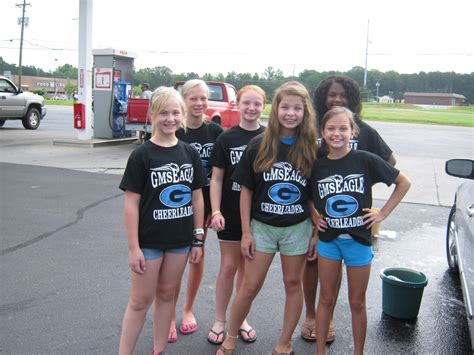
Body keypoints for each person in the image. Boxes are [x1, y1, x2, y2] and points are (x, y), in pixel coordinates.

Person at [217, 81, 318, 355]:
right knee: (249, 285)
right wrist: (247, 232)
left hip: (297, 227)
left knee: (292, 283)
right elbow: (246, 190)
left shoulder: (311, 147)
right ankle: (230, 337)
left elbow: (314, 196)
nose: (290, 113)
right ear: (275, 110)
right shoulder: (258, 144)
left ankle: (284, 343)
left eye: (297, 108)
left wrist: (315, 233)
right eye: (285, 107)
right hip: (262, 227)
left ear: (305, 111)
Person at [300, 75, 397, 343]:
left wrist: (360, 186)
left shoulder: (364, 131)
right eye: (332, 95)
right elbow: (306, 171)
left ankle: (327, 320)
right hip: (321, 214)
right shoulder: (313, 130)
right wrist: (313, 210)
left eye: (343, 95)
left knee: (348, 280)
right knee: (312, 263)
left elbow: (391, 162)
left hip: (353, 222)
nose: (337, 99)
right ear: (322, 98)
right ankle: (311, 315)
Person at [311, 106, 410, 355]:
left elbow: (403, 182)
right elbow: (307, 196)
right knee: (325, 299)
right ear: (322, 132)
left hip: (358, 241)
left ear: (353, 131)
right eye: (331, 128)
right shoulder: (317, 166)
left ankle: (358, 352)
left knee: (357, 301)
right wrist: (314, 214)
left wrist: (382, 213)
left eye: (343, 128)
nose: (337, 133)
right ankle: (319, 351)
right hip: (329, 241)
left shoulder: (364, 159)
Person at [118, 87, 208, 355]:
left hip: (179, 241)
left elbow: (197, 199)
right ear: (153, 115)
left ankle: (158, 350)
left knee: (167, 295)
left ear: (182, 115)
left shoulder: (189, 152)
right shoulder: (142, 155)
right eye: (164, 113)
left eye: (175, 113)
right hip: (149, 242)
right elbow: (131, 204)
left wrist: (198, 239)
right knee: (140, 301)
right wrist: (133, 247)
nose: (170, 118)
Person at [207, 85, 266, 345]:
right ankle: (220, 319)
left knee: (247, 272)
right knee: (229, 267)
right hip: (230, 212)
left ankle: (239, 318)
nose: (251, 108)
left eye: (257, 104)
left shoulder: (270, 137)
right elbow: (217, 177)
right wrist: (216, 210)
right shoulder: (226, 139)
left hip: (259, 215)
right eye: (246, 103)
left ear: (264, 106)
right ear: (238, 105)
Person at [170, 79, 224, 341]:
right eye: (193, 98)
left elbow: (220, 175)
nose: (200, 103)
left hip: (203, 205)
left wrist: (215, 210)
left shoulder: (216, 132)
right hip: (176, 206)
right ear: (184, 100)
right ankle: (168, 313)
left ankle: (187, 308)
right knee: (173, 261)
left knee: (197, 256)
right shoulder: (175, 131)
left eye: (204, 98)